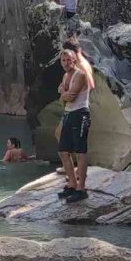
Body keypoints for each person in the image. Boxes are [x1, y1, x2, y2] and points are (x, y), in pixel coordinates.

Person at [56, 49, 94, 203]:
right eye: (63, 61)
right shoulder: (65, 76)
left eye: (69, 60)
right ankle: (72, 184)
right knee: (63, 151)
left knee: (80, 151)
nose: (66, 63)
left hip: (80, 114)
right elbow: (63, 100)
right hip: (68, 114)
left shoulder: (81, 75)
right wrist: (64, 95)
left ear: (74, 60)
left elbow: (70, 97)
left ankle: (81, 189)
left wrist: (62, 92)